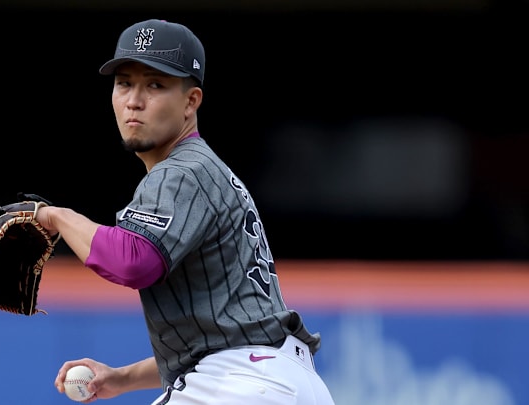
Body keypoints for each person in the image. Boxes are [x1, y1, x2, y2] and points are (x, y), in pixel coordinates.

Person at [38, 18, 336, 405]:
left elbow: (132, 261)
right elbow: (219, 337)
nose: (134, 100)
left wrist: (55, 216)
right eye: (124, 83)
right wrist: (122, 378)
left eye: (155, 85)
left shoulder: (181, 172)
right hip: (282, 380)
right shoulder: (208, 171)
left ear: (191, 101)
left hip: (241, 383)